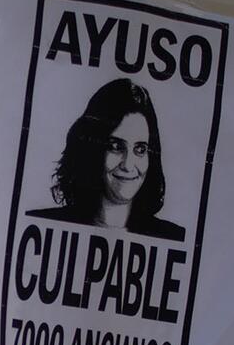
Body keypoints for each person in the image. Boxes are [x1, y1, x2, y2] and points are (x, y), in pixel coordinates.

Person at [32, 78, 186, 240]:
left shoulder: (174, 238)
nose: (128, 165)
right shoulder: (42, 227)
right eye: (116, 147)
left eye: (140, 149)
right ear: (92, 149)